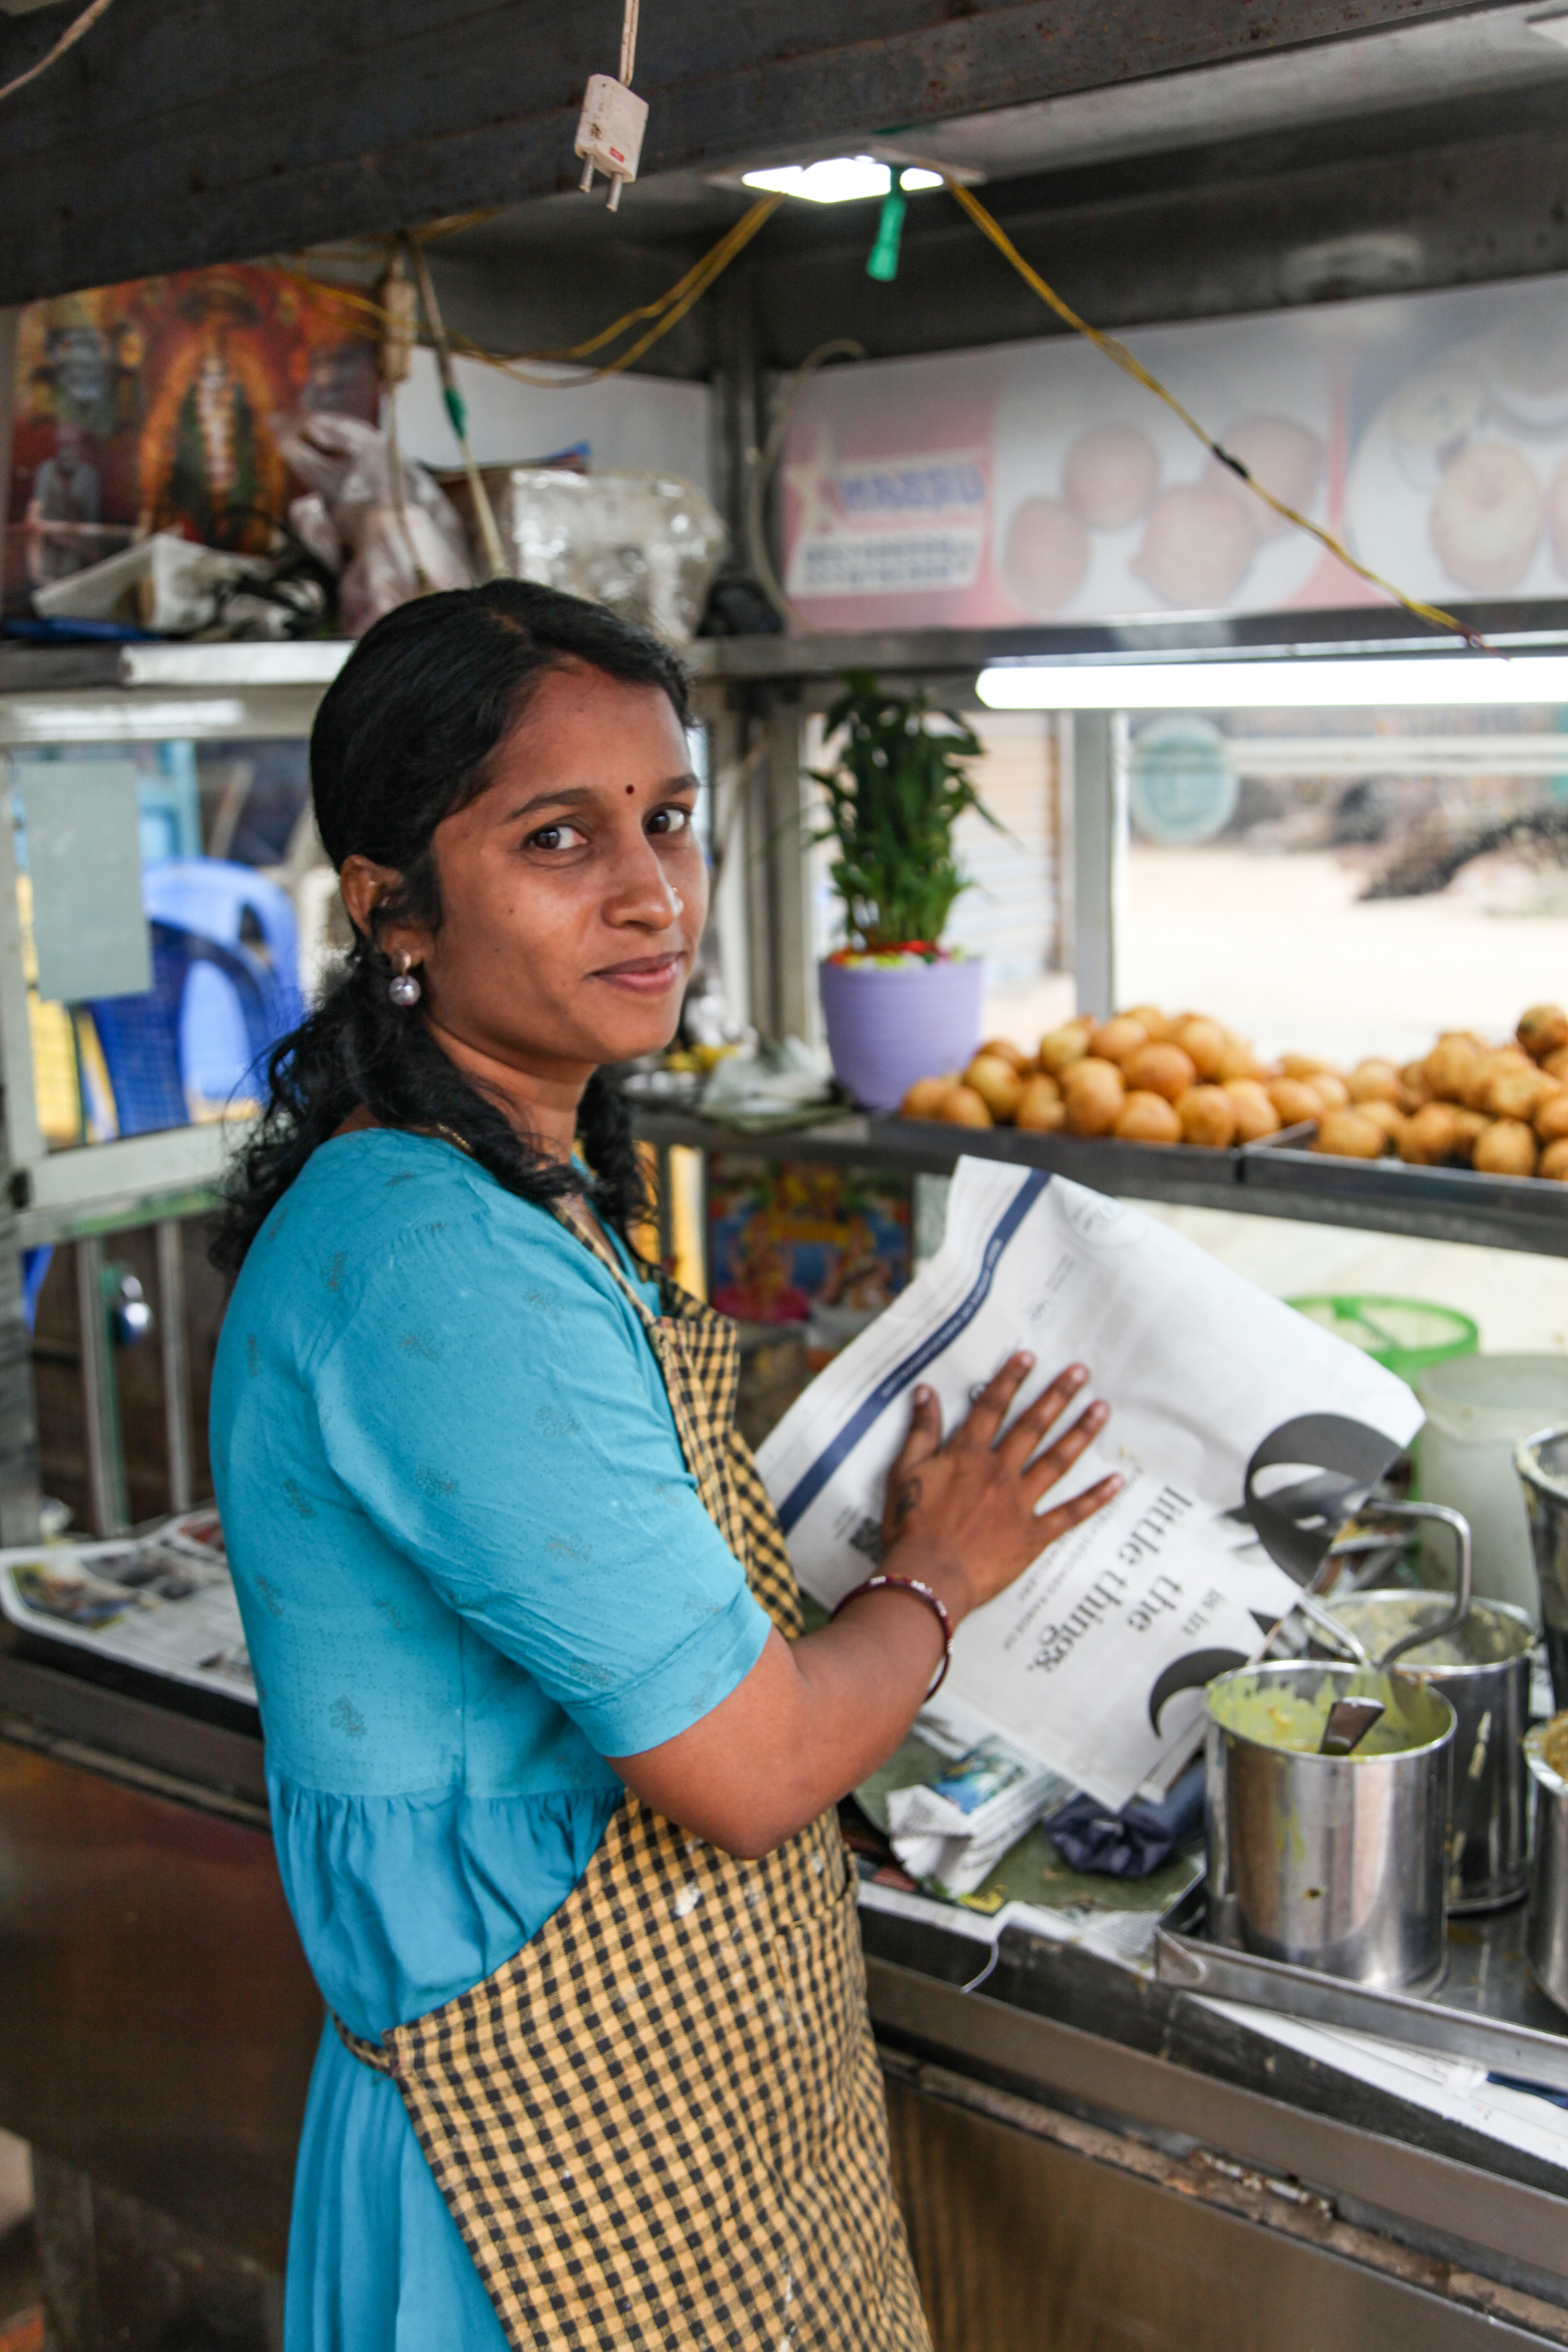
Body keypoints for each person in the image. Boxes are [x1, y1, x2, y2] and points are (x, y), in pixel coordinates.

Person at [208, 580, 1121, 2350]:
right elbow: (755, 1761)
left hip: (634, 2127)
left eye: (670, 820)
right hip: (521, 2182)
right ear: (389, 902)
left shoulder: (499, 1194)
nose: (653, 891)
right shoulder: (437, 1258)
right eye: (561, 837)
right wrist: (937, 1570)